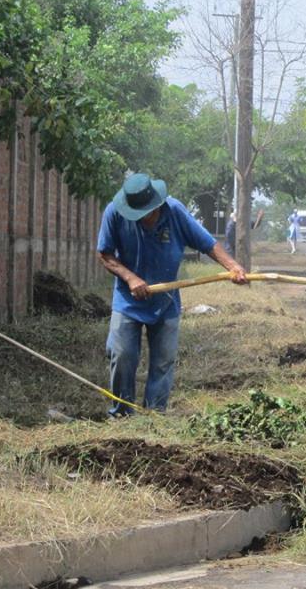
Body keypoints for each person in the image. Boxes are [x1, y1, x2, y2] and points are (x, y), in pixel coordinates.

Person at [97, 173, 247, 417]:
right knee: (121, 354)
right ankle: (122, 414)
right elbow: (105, 254)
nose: (143, 218)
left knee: (163, 362)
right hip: (128, 300)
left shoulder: (175, 211)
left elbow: (208, 244)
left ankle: (155, 416)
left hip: (165, 301)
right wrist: (131, 278)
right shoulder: (114, 212)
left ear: (156, 205)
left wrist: (232, 266)